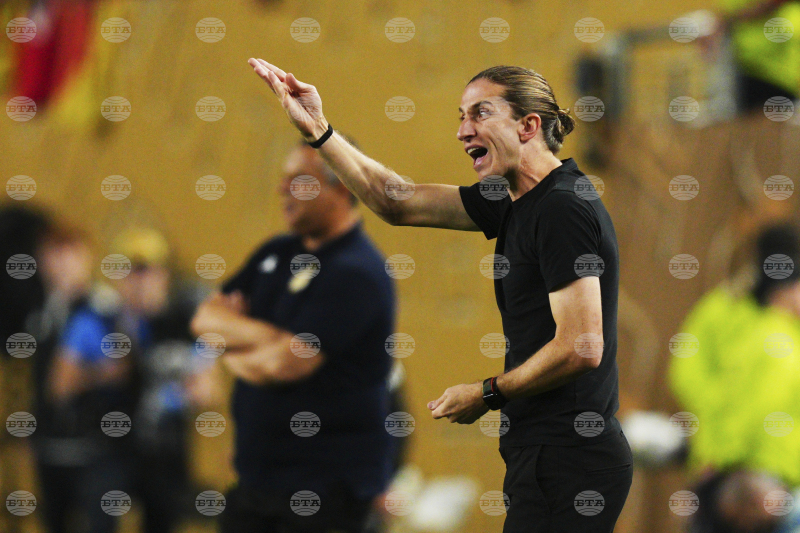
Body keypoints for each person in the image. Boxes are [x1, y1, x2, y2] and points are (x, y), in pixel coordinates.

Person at [248, 60, 632, 532]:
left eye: (480, 113)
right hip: (546, 453)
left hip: (570, 457)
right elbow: (396, 201)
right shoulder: (515, 199)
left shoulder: (561, 208)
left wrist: (487, 392)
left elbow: (581, 345)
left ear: (528, 125)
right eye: (461, 116)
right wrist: (319, 130)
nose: (463, 131)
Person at [190, 136, 397, 532]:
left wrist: (231, 345)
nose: (282, 189)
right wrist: (268, 342)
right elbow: (205, 318)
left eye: (298, 180)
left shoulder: (356, 272)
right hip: (256, 485)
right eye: (283, 178)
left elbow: (284, 365)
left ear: (342, 187)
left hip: (324, 494)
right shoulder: (275, 253)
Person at [670, 223, 800, 533]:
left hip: (776, 471)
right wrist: (717, 445)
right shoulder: (731, 310)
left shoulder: (782, 331)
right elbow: (689, 374)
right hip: (740, 468)